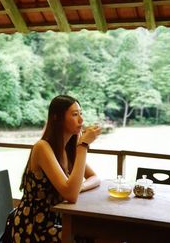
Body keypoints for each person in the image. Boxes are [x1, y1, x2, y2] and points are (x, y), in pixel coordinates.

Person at [8, 95, 101, 243]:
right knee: (94, 238)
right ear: (57, 118)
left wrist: (78, 187)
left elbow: (95, 178)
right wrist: (83, 146)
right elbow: (71, 195)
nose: (81, 120)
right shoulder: (42, 147)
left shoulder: (67, 148)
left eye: (81, 113)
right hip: (33, 227)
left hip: (57, 221)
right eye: (75, 114)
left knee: (98, 232)